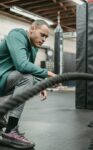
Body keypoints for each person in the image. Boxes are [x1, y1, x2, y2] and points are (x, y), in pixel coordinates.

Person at [0, 20, 56, 148]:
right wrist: (48, 73)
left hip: (4, 80)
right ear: (32, 29)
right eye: (42, 34)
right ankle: (11, 130)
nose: (44, 39)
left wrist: (40, 84)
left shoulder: (33, 48)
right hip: (1, 78)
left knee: (28, 81)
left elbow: (29, 71)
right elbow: (22, 66)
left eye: (46, 37)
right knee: (26, 79)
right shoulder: (16, 35)